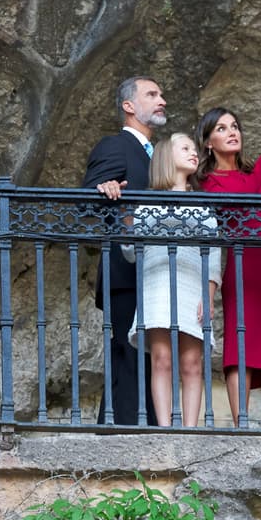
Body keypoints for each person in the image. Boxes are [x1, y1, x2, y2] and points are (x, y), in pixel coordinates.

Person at [194, 107, 261, 428]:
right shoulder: (208, 181)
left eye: (235, 126)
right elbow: (240, 202)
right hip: (244, 269)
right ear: (208, 142)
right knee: (241, 347)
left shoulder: (255, 172)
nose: (232, 132)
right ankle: (242, 427)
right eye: (222, 128)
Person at [82, 76, 166, 426]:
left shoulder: (160, 156)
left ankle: (141, 427)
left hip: (156, 271)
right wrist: (106, 187)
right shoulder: (115, 146)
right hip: (125, 273)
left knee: (152, 356)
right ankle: (124, 433)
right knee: (128, 356)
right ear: (129, 106)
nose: (162, 99)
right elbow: (87, 203)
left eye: (161, 94)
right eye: (152, 94)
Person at [123, 134, 221, 427]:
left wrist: (209, 293)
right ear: (167, 157)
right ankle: (165, 429)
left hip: (193, 285)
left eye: (194, 149)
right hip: (157, 285)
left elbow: (213, 252)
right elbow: (130, 252)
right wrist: (126, 222)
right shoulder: (147, 204)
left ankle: (190, 430)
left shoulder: (202, 206)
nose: (194, 153)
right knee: (162, 359)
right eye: (186, 148)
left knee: (192, 363)